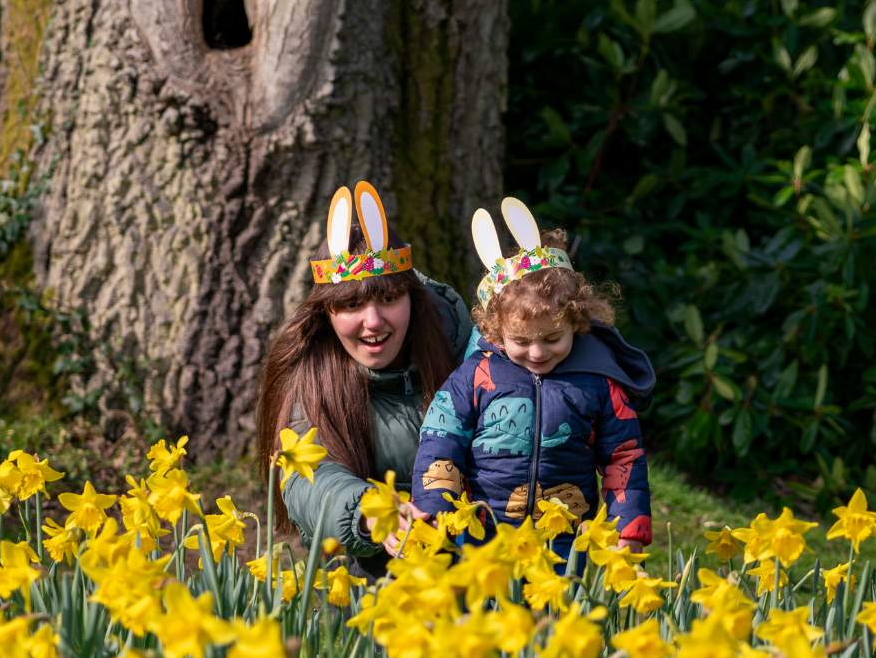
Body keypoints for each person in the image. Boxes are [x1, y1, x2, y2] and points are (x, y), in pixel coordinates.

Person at [411, 198, 654, 565]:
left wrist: (627, 525)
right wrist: (433, 506)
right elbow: (441, 439)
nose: (537, 353)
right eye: (521, 341)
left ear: (576, 321)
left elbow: (624, 454)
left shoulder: (598, 381)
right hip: (484, 533)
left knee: (557, 616)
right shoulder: (477, 375)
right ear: (495, 331)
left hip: (564, 535)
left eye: (552, 338)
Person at [254, 182, 473, 579]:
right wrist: (367, 511)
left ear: (412, 299)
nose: (373, 322)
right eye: (352, 304)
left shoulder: (469, 355)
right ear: (327, 313)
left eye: (388, 299)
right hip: (369, 588)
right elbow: (309, 478)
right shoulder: (312, 375)